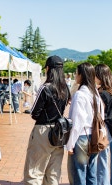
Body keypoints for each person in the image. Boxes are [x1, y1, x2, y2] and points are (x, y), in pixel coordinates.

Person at [24, 55, 70, 185]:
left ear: (48, 69)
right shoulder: (65, 88)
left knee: (34, 171)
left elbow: (34, 113)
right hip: (59, 132)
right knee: (53, 173)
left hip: (43, 131)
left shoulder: (45, 88)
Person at [66, 62, 104, 185]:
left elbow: (77, 122)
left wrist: (70, 143)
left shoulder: (79, 94)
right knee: (92, 173)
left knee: (79, 173)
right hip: (95, 136)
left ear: (82, 75)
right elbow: (101, 117)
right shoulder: (95, 93)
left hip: (82, 137)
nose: (75, 76)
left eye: (76, 73)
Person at [95, 64, 112, 185]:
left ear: (100, 76)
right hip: (108, 129)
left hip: (100, 129)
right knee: (104, 160)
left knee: (100, 161)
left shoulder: (101, 94)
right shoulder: (111, 92)